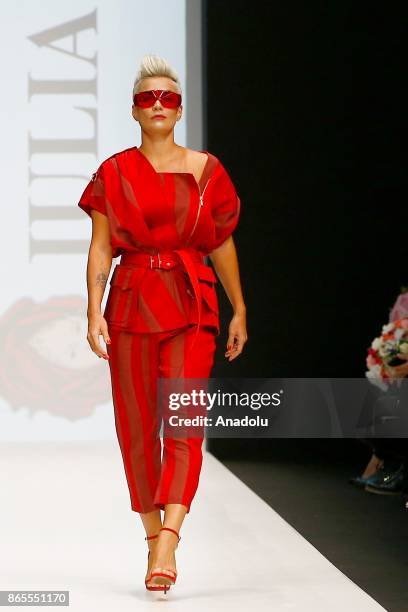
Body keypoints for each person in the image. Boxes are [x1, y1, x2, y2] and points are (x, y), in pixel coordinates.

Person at [77, 54, 247, 593]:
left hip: (191, 303)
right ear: (134, 109)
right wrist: (91, 307)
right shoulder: (113, 171)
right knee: (134, 427)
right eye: (148, 97)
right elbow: (102, 245)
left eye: (168, 97)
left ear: (178, 110)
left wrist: (239, 306)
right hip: (129, 302)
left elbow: (219, 239)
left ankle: (169, 539)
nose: (157, 104)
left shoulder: (207, 169)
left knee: (183, 420)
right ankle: (151, 535)